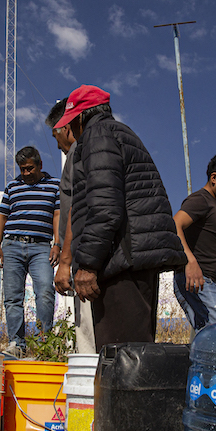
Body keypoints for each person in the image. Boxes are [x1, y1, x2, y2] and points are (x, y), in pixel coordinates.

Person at [54, 85, 186, 350]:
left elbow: (104, 208)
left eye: (71, 124)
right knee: (134, 353)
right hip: (130, 259)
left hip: (122, 262)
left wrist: (88, 265)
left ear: (80, 117)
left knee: (123, 358)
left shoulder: (98, 135)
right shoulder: (117, 134)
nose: (72, 132)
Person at [0, 146, 60, 355]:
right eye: (22, 169)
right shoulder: (12, 186)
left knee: (46, 293)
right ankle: (16, 344)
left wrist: (57, 243)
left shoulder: (54, 185)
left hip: (41, 247)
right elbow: (2, 216)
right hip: (11, 246)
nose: (26, 173)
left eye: (30, 168)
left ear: (40, 165)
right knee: (12, 298)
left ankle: (43, 343)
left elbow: (57, 215)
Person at [46, 98, 96, 354]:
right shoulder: (88, 152)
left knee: (88, 337)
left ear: (66, 128)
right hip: (85, 252)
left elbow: (77, 209)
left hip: (84, 255)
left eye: (56, 136)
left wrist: (65, 261)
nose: (58, 146)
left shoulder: (79, 152)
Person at [173, 153, 216, 331]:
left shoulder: (212, 204)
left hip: (212, 284)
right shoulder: (201, 200)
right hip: (197, 281)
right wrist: (190, 261)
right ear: (214, 178)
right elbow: (174, 225)